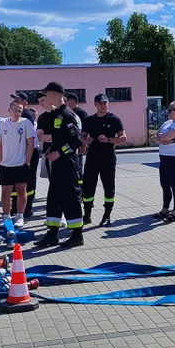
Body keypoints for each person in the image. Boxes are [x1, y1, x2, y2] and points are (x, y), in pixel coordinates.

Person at [35, 82, 86, 248]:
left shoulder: (68, 115)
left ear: (55, 94)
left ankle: (77, 235)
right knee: (54, 198)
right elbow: (57, 138)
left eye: (47, 93)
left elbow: (77, 141)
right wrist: (52, 150)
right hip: (56, 164)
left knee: (70, 198)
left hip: (67, 163)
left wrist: (59, 152)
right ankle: (52, 234)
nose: (45, 97)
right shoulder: (57, 114)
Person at [81, 93, 127, 226]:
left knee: (108, 186)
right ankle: (87, 214)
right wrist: (86, 140)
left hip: (108, 157)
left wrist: (108, 140)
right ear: (95, 104)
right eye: (100, 103)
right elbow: (82, 136)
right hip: (92, 156)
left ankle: (107, 214)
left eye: (105, 103)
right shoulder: (90, 120)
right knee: (88, 185)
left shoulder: (113, 119)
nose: (103, 105)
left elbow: (123, 137)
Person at [0, 99, 35, 228]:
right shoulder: (2, 123)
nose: (16, 113)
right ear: (9, 110)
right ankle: (6, 216)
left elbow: (30, 143)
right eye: (14, 110)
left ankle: (19, 216)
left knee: (21, 191)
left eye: (19, 110)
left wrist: (27, 161)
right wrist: (0, 161)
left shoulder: (26, 123)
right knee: (5, 192)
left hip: (21, 164)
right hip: (5, 165)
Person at [154, 100, 175, 222]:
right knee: (164, 183)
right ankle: (165, 209)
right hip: (164, 156)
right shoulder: (168, 123)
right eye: (168, 110)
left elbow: (165, 137)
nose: (168, 112)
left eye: (171, 110)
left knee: (174, 183)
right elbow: (156, 136)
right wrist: (163, 140)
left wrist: (163, 139)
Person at [10, 91, 40, 217]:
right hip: (19, 153)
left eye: (18, 99)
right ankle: (16, 206)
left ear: (25, 102)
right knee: (17, 180)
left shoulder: (27, 115)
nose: (15, 101)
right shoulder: (15, 115)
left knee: (28, 180)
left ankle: (27, 207)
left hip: (29, 152)